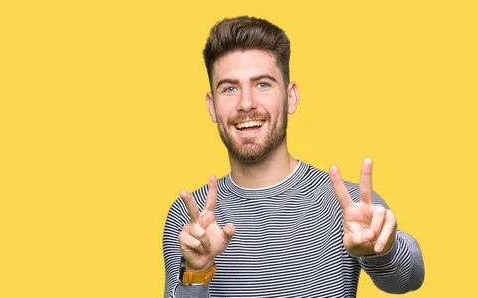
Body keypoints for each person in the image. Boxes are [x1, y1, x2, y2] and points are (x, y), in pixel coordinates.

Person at [162, 16, 425, 297]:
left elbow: (408, 280)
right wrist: (197, 273)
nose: (247, 104)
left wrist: (383, 250)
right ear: (212, 107)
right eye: (230, 88)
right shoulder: (189, 218)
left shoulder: (348, 205)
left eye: (262, 84)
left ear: (292, 97)